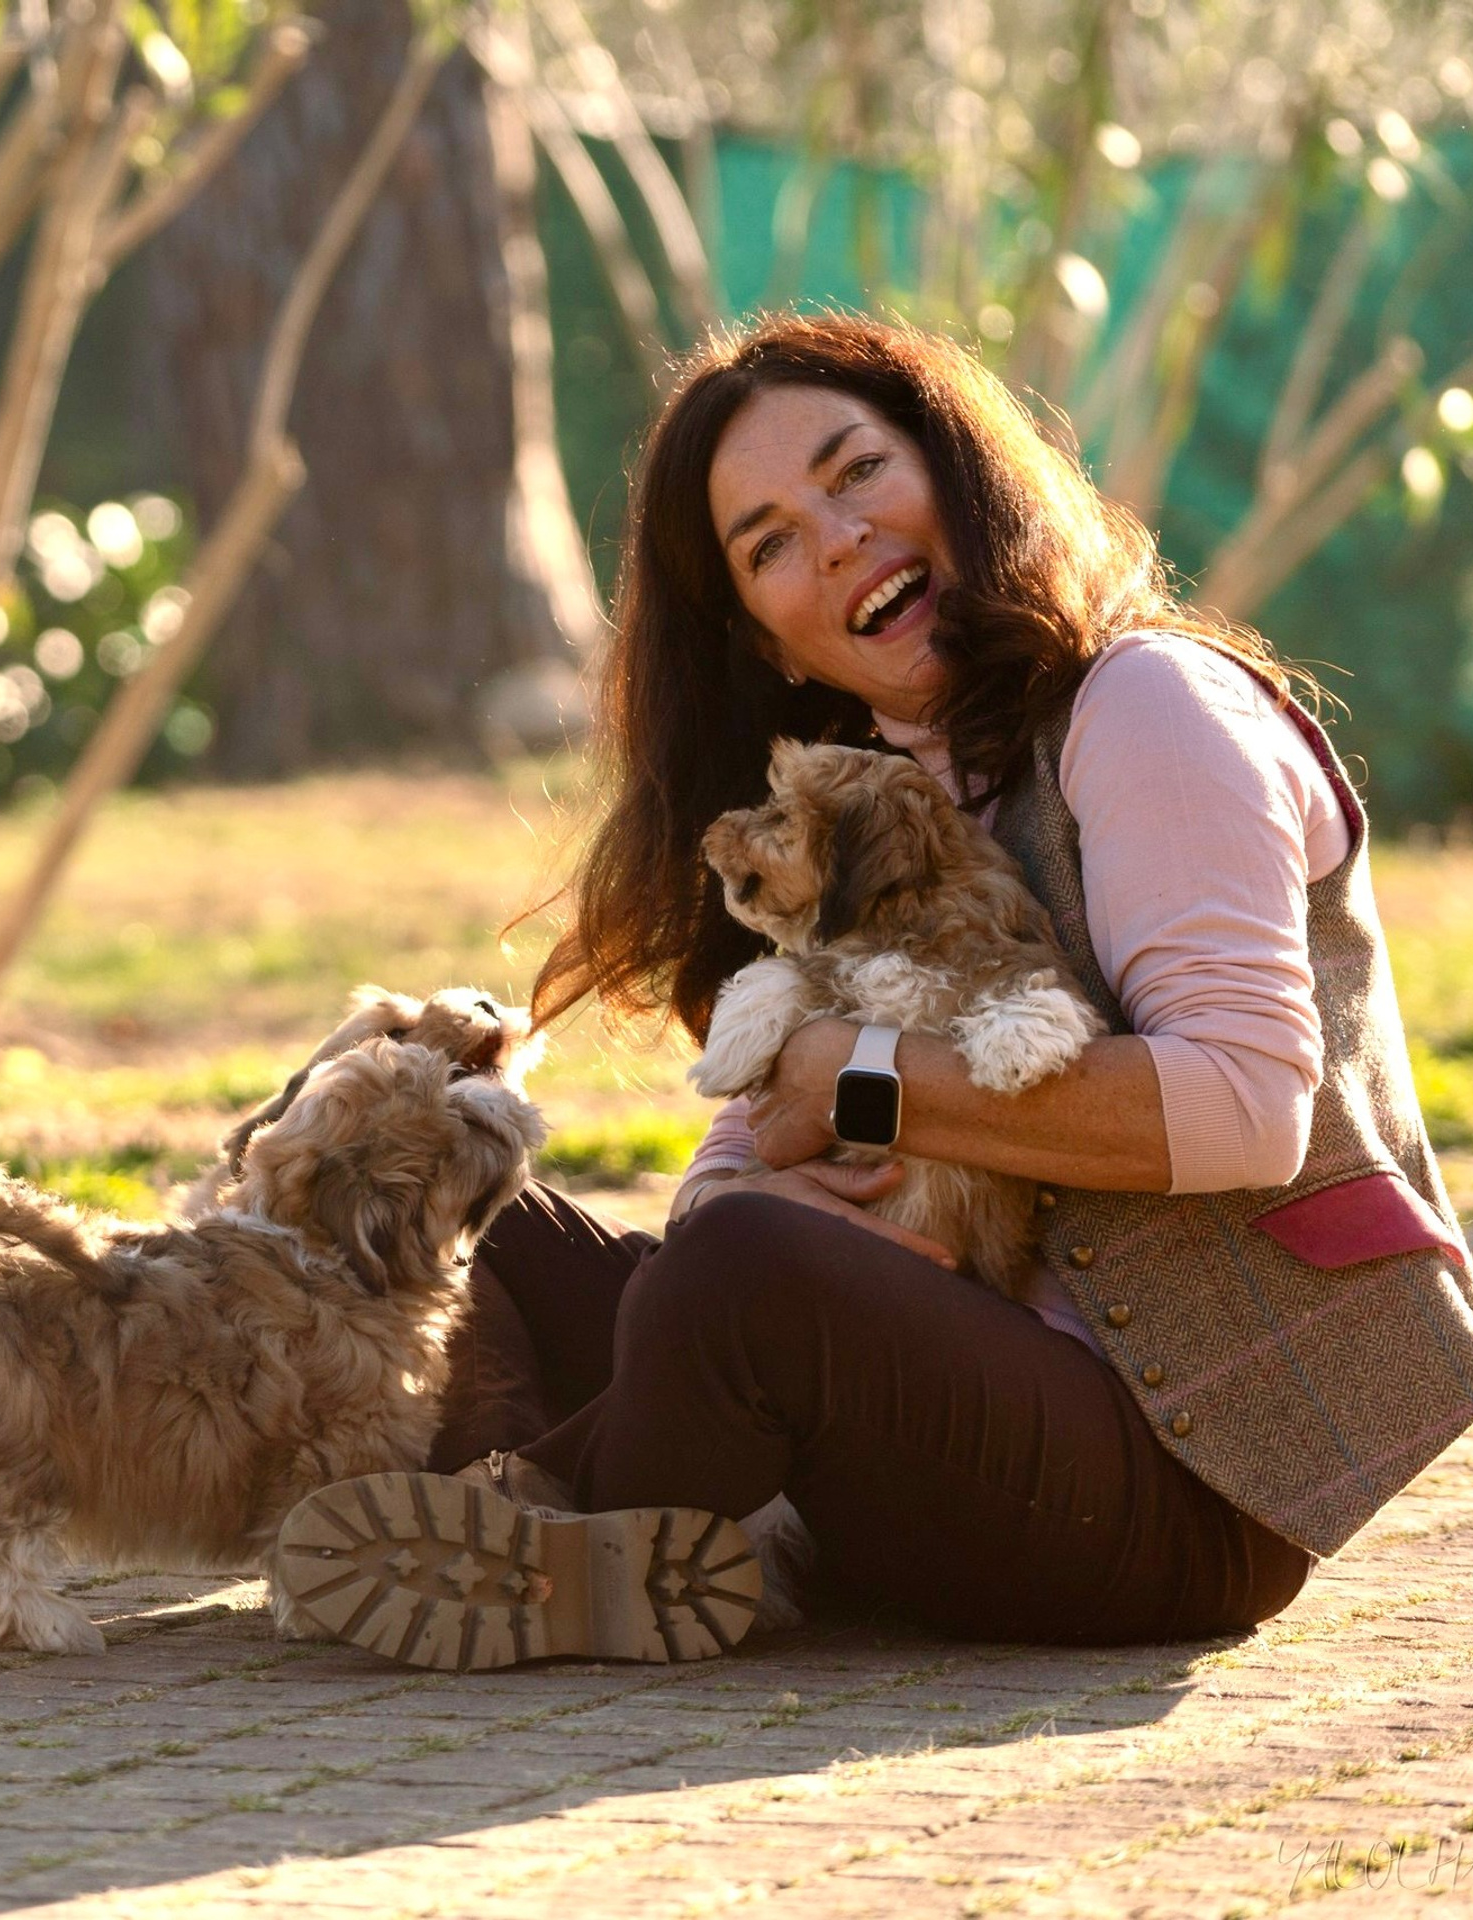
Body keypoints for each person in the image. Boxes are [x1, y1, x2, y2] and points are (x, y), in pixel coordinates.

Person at [285, 312, 1473, 1661]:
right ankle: (518, 1525)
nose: (837, 536)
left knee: (738, 1282)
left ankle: (538, 1540)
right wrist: (764, 1183)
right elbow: (743, 1167)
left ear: (959, 476)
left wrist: (860, 1095)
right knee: (457, 1179)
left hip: (1178, 1483)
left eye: (856, 472)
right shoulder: (888, 797)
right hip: (930, 1395)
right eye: (770, 543)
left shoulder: (1150, 711)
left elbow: (1245, 1108)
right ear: (773, 645)